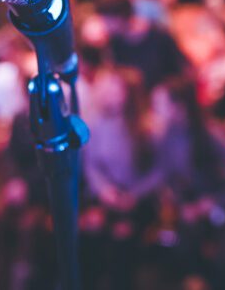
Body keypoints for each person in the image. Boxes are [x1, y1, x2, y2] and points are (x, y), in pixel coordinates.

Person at [151, 77, 225, 290]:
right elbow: (167, 177)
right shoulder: (167, 136)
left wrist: (212, 203)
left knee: (224, 259)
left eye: (160, 105)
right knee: (180, 247)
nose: (155, 111)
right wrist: (185, 204)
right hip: (193, 204)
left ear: (178, 108)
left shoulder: (209, 134)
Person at [82, 66, 160, 290]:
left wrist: (133, 195)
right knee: (90, 231)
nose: (109, 94)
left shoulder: (147, 127)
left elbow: (159, 171)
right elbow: (92, 164)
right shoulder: (97, 124)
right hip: (107, 196)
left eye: (116, 90)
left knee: (122, 239)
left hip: (139, 199)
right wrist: (104, 190)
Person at [96, 0, 190, 89]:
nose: (104, 26)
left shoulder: (159, 36)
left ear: (120, 17)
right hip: (135, 101)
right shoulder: (115, 43)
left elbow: (182, 71)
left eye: (107, 21)